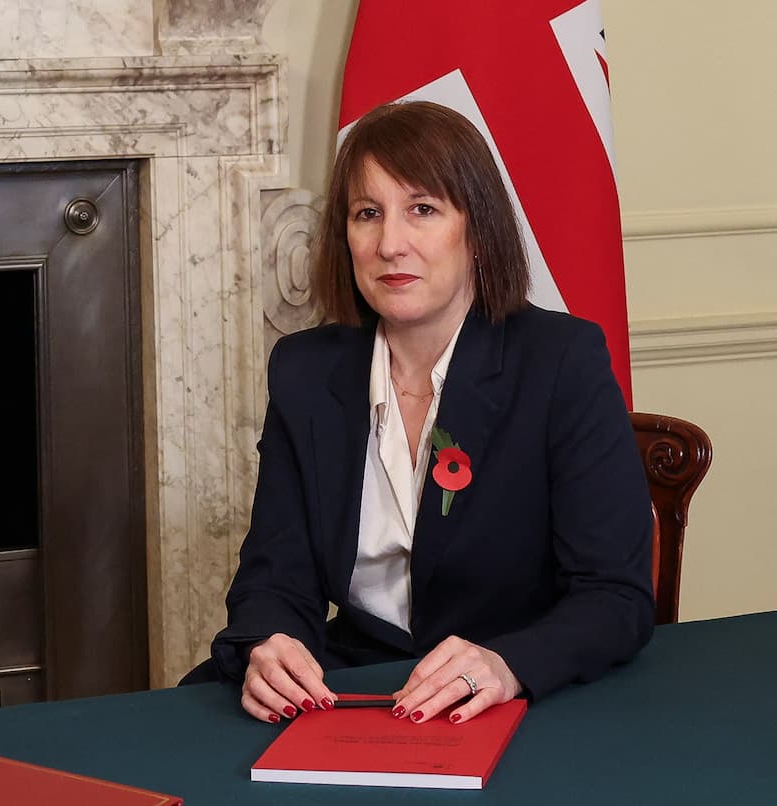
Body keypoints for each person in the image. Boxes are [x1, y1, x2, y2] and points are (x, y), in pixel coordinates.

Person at [195, 101, 654, 726]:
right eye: (367, 214)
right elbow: (276, 575)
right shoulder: (305, 370)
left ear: (477, 229)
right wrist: (269, 644)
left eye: (422, 210)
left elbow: (615, 598)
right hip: (354, 683)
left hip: (513, 688)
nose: (389, 243)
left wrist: (508, 665)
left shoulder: (559, 361)